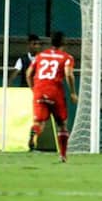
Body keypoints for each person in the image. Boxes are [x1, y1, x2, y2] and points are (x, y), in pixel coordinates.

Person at [27, 31, 77, 162]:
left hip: (39, 89)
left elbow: (28, 73)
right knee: (62, 124)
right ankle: (63, 155)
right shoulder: (67, 57)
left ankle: (34, 133)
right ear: (64, 42)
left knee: (39, 123)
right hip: (55, 91)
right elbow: (69, 74)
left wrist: (33, 89)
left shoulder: (40, 56)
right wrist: (72, 92)